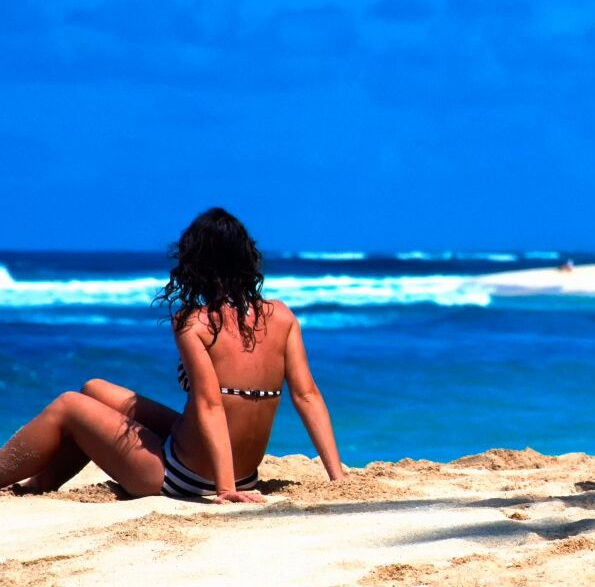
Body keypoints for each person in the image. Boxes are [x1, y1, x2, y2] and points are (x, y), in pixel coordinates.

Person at [0, 208, 345, 503]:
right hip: (243, 475)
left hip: (179, 477)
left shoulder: (193, 322)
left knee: (69, 405)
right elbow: (306, 395)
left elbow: (210, 403)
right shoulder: (283, 316)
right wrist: (338, 477)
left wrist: (224, 490)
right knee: (94, 388)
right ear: (246, 258)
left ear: (195, 264)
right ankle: (41, 484)